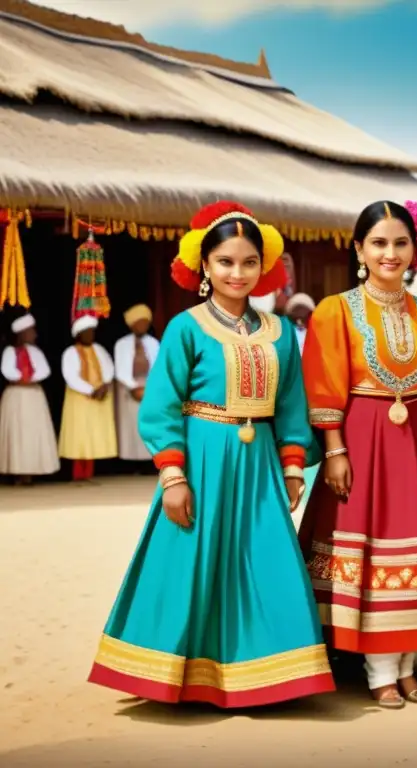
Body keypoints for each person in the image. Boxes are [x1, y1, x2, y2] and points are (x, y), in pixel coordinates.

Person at [87, 201, 334, 707]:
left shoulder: (281, 331)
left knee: (267, 560)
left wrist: (291, 467)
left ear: (262, 267)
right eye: (225, 261)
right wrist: (173, 478)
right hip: (202, 459)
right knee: (191, 563)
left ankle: (271, 675)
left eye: (248, 262)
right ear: (204, 265)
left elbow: (291, 405)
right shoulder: (185, 327)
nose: (237, 272)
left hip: (260, 462)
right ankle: (181, 674)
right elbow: (160, 407)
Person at [299, 200, 417, 709]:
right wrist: (334, 450)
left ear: (415, 249)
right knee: (374, 549)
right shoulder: (335, 311)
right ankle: (379, 671)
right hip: (361, 442)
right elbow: (323, 386)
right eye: (378, 243)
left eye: (401, 243)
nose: (390, 253)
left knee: (416, 551)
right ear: (359, 249)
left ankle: (407, 668)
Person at [0, 314, 60, 484]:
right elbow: (8, 372)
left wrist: (26, 380)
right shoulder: (9, 352)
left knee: (33, 434)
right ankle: (18, 472)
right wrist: (24, 379)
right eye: (31, 331)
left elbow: (43, 371)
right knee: (18, 434)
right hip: (16, 397)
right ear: (22, 333)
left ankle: (31, 471)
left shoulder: (36, 352)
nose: (34, 335)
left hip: (34, 396)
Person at [58, 315, 117, 481]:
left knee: (94, 435)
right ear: (79, 335)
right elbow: (71, 376)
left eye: (92, 332)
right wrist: (91, 390)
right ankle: (78, 474)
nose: (91, 335)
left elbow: (109, 367)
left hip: (100, 397)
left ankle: (89, 473)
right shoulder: (70, 352)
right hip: (81, 398)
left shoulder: (99, 349)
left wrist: (104, 385)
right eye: (87, 332)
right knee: (80, 436)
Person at [113, 304, 160, 464]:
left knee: (149, 425)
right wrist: (134, 387)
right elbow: (120, 369)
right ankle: (130, 463)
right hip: (128, 389)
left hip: (149, 389)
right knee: (131, 427)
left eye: (146, 323)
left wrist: (149, 388)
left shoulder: (153, 343)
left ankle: (149, 461)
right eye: (140, 322)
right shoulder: (122, 344)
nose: (143, 326)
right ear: (132, 324)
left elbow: (158, 368)